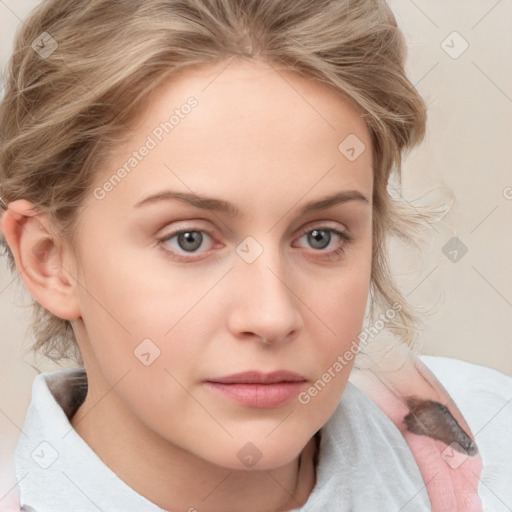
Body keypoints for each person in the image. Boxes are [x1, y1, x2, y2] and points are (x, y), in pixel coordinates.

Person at [0, 0, 510, 511]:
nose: (272, 316)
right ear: (50, 259)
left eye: (320, 237)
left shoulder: (494, 439)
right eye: (189, 239)